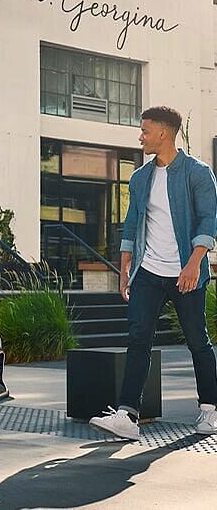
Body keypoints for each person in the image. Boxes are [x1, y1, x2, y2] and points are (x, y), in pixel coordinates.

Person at [89, 106, 217, 440]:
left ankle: (209, 410)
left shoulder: (197, 173)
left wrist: (193, 263)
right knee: (138, 338)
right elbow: (132, 222)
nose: (141, 136)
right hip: (149, 270)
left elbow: (208, 221)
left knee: (197, 341)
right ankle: (126, 415)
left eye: (145, 130)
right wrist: (125, 266)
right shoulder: (141, 177)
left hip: (186, 272)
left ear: (164, 132)